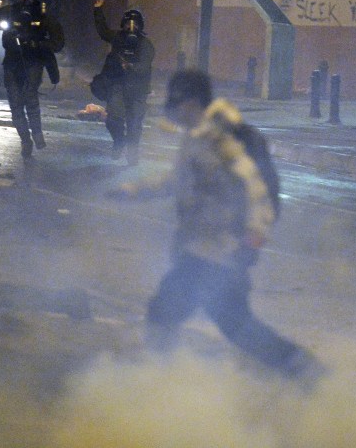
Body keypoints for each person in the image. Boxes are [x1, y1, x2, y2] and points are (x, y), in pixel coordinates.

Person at [109, 69, 323, 379]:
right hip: (206, 249)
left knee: (165, 308)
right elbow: (179, 181)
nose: (174, 111)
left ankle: (155, 378)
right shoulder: (197, 137)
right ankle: (303, 369)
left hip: (219, 251)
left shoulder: (221, 139)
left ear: (192, 102)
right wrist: (134, 191)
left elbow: (256, 189)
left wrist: (254, 236)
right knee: (236, 324)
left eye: (178, 103)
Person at [0, 0, 65, 158]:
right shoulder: (12, 11)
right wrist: (6, 25)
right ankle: (25, 140)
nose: (26, 0)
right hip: (12, 63)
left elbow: (58, 42)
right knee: (15, 105)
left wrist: (38, 44)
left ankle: (37, 134)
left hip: (34, 62)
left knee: (30, 98)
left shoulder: (43, 15)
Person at [93, 0, 155, 164]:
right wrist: (98, 10)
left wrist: (130, 66)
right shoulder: (118, 38)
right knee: (113, 118)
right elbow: (103, 31)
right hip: (118, 85)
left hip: (138, 90)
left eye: (135, 23)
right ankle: (119, 141)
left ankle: (132, 153)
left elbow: (144, 66)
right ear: (123, 23)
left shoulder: (145, 44)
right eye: (128, 23)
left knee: (134, 124)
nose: (131, 27)